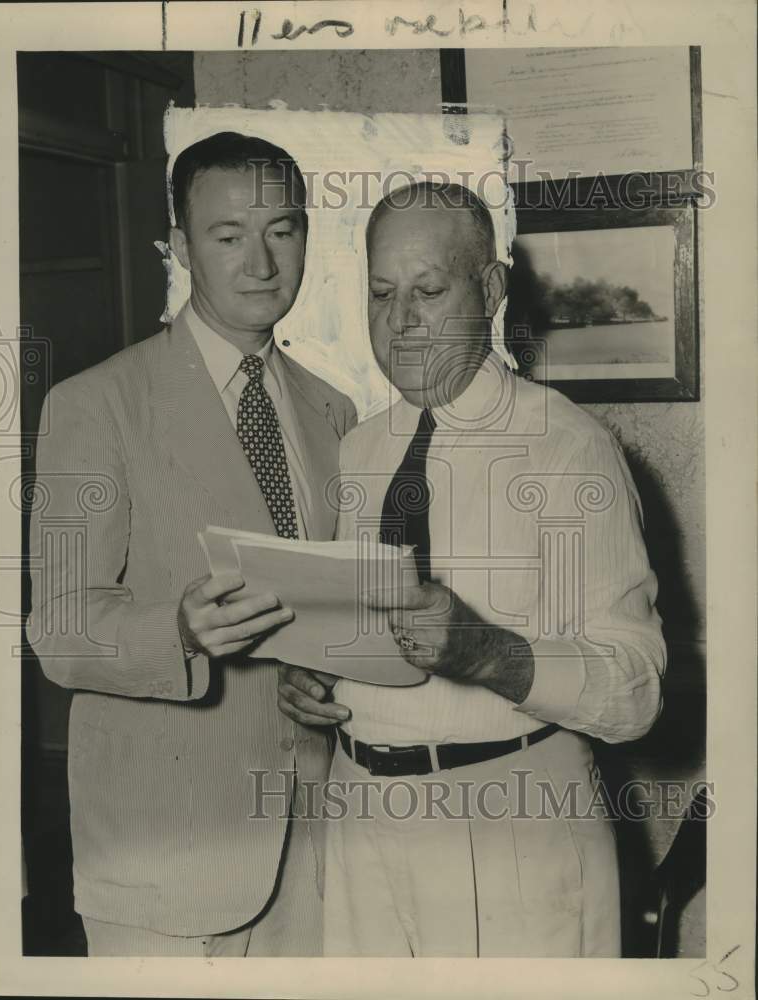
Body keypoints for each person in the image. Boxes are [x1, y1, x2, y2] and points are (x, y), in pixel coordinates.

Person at [277, 181, 666, 957]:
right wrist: (311, 675)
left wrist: (488, 652)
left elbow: (638, 691)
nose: (401, 323)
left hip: (510, 827)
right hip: (358, 827)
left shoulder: (567, 448)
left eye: (429, 290)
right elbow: (351, 631)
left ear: (489, 289)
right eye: (382, 293)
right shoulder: (358, 451)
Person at [26, 131, 356, 956]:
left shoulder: (333, 413)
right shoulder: (96, 404)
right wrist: (172, 631)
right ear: (179, 248)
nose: (261, 262)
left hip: (315, 846)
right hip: (163, 858)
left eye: (282, 230)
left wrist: (329, 671)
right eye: (227, 235)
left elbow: (322, 610)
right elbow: (59, 630)